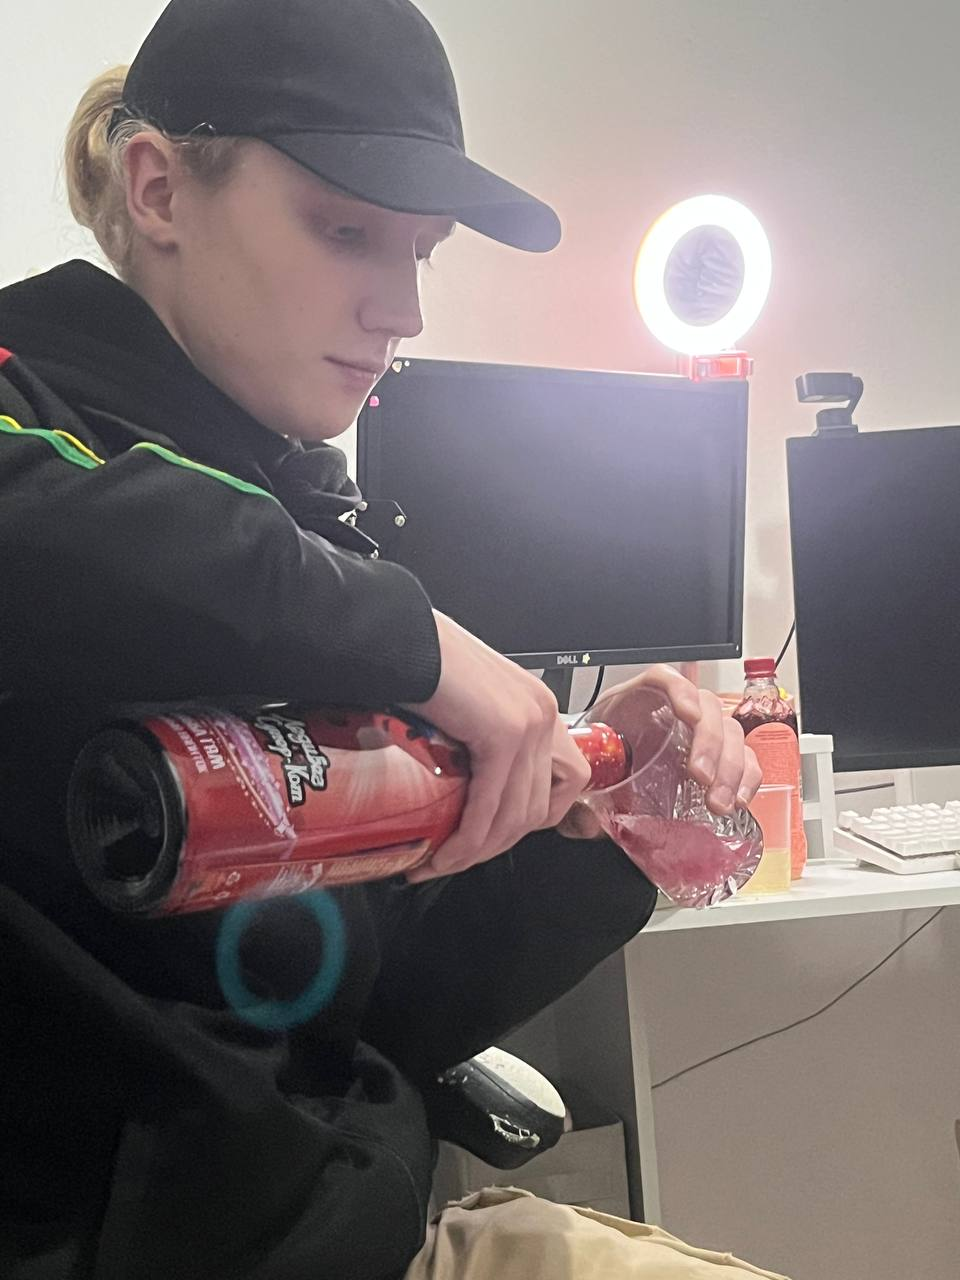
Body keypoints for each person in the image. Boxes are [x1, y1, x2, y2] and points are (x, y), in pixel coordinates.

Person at [0, 2, 767, 1278]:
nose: (402, 309)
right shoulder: (41, 419)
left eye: (423, 252)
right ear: (158, 188)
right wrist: (414, 639)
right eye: (348, 231)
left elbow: (367, 1010)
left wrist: (602, 822)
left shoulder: (319, 524)